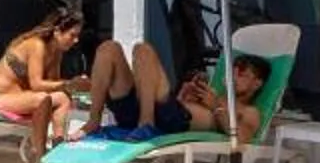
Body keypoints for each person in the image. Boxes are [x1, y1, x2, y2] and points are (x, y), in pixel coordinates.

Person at [81, 38, 268, 143]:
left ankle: (146, 124)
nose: (234, 77)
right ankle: (93, 121)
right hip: (147, 112)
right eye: (232, 71)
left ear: (257, 84)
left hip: (165, 121)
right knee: (109, 49)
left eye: (242, 74)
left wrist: (217, 106)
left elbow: (242, 138)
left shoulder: (250, 111)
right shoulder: (212, 94)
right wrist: (183, 97)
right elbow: (178, 110)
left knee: (144, 50)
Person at [0, 8, 87, 161]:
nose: (76, 40)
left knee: (62, 97)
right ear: (57, 31)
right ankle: (39, 151)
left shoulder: (56, 52)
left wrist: (75, 86)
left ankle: (58, 146)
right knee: (42, 99)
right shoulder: (37, 45)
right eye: (72, 35)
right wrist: (69, 83)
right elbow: (37, 85)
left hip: (18, 97)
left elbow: (53, 84)